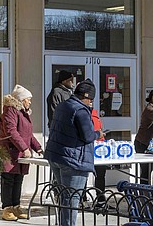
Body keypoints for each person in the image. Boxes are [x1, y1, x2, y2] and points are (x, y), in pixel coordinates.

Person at [45, 79, 104, 226]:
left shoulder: (62, 106)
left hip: (57, 156)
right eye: (91, 99)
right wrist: (99, 134)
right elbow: (88, 136)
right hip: (74, 160)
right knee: (72, 199)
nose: (91, 103)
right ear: (85, 97)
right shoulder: (80, 110)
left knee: (64, 197)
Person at [0, 85, 43, 221]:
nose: (30, 102)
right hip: (10, 152)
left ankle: (16, 206)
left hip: (19, 154)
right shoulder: (10, 111)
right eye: (28, 99)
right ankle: (7, 208)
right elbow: (12, 131)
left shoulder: (24, 113)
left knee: (18, 179)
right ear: (21, 99)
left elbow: (28, 134)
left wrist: (38, 148)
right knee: (8, 180)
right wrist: (24, 148)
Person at [91, 107, 109, 207]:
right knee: (84, 175)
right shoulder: (82, 113)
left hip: (100, 147)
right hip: (89, 147)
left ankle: (101, 200)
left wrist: (101, 134)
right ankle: (83, 200)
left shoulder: (95, 114)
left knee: (100, 174)